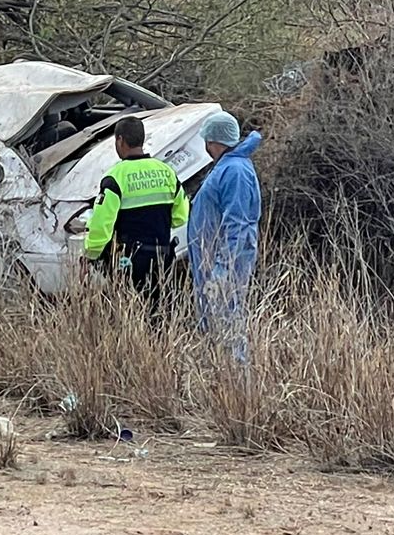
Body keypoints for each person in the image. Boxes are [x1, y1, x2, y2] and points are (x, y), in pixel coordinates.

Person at [83, 115, 189, 323]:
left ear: (120, 140)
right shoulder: (167, 172)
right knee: (158, 316)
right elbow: (180, 216)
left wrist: (90, 255)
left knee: (131, 317)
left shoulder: (115, 178)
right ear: (142, 139)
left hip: (129, 262)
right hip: (163, 258)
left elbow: (101, 227)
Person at [187, 112, 261, 364]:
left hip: (225, 264)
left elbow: (237, 225)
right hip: (213, 262)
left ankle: (236, 377)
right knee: (216, 325)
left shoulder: (234, 171)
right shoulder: (228, 167)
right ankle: (220, 376)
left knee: (228, 324)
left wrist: (223, 270)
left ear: (213, 141)